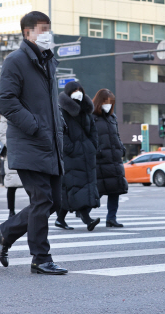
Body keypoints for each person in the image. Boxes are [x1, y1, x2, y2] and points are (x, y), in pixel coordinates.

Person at [0, 11, 67, 275]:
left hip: (50, 143)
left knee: (53, 203)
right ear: (28, 33)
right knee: (43, 199)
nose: (48, 34)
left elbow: (49, 103)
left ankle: (5, 231)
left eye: (49, 29)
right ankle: (40, 257)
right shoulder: (16, 61)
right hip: (29, 142)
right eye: (42, 29)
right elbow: (6, 102)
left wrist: (59, 125)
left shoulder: (48, 61)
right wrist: (35, 126)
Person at [54, 81, 101, 231]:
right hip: (71, 156)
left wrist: (92, 146)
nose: (79, 92)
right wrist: (71, 148)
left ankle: (60, 219)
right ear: (68, 93)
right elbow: (60, 134)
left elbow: (93, 130)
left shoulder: (86, 110)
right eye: (75, 90)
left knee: (77, 188)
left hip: (86, 155)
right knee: (75, 188)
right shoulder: (61, 111)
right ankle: (87, 219)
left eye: (80, 89)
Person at [92, 88, 128, 227]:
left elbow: (116, 135)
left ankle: (111, 218)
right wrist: (97, 151)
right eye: (106, 102)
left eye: (110, 102)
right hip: (100, 160)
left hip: (114, 159)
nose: (108, 105)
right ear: (99, 102)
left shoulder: (113, 118)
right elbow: (90, 138)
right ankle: (85, 213)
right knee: (97, 191)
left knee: (115, 190)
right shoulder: (92, 117)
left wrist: (122, 149)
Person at [0, 115, 24, 218]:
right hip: (12, 151)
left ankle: (33, 207)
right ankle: (11, 211)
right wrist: (12, 145)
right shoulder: (5, 113)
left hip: (25, 150)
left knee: (31, 183)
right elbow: (2, 134)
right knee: (11, 183)